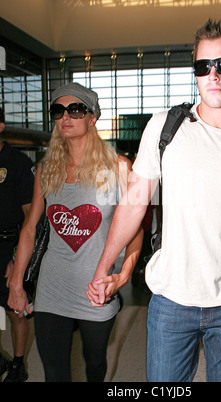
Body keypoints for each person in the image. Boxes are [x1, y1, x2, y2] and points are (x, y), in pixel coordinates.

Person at [86, 20, 221, 382]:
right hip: (172, 298)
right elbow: (134, 203)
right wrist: (104, 267)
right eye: (203, 67)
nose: (212, 75)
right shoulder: (165, 128)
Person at [8, 83, 143, 382]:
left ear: (92, 117)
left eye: (76, 109)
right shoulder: (47, 170)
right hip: (52, 287)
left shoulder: (117, 168)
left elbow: (136, 233)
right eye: (58, 110)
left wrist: (121, 277)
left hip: (96, 289)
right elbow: (30, 228)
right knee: (54, 372)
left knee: (96, 366)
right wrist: (17, 283)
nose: (65, 116)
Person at [0, 106, 35, 382]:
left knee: (15, 312)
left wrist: (16, 258)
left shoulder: (18, 163)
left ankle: (18, 364)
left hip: (9, 245)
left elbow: (29, 218)